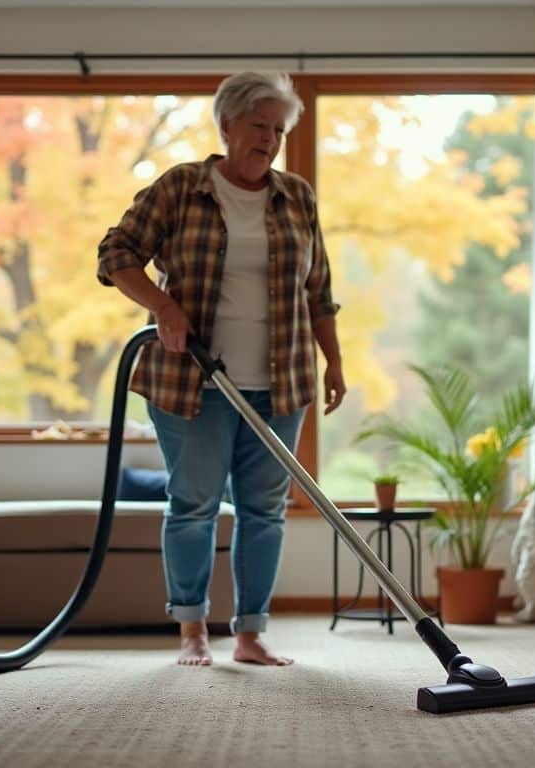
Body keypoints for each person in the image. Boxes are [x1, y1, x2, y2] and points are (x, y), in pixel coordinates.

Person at [97, 72, 345, 667]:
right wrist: (163, 306)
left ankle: (251, 633)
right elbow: (116, 253)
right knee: (195, 503)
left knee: (264, 509)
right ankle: (192, 630)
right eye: (260, 125)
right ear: (228, 124)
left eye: (279, 129)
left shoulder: (298, 197)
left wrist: (334, 359)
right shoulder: (182, 188)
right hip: (195, 382)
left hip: (281, 383)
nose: (270, 139)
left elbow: (320, 290)